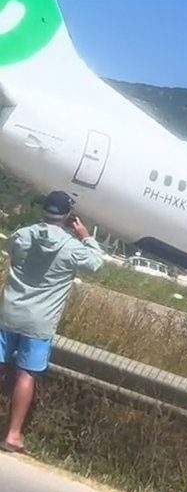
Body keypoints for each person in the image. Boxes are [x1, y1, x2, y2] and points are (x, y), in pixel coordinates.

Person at [0, 191, 103, 453]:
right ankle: (12, 434)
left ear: (44, 209)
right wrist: (85, 236)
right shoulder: (70, 247)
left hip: (9, 312)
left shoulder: (23, 235)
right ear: (68, 216)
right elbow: (96, 264)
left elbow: (11, 246)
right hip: (39, 322)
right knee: (26, 373)